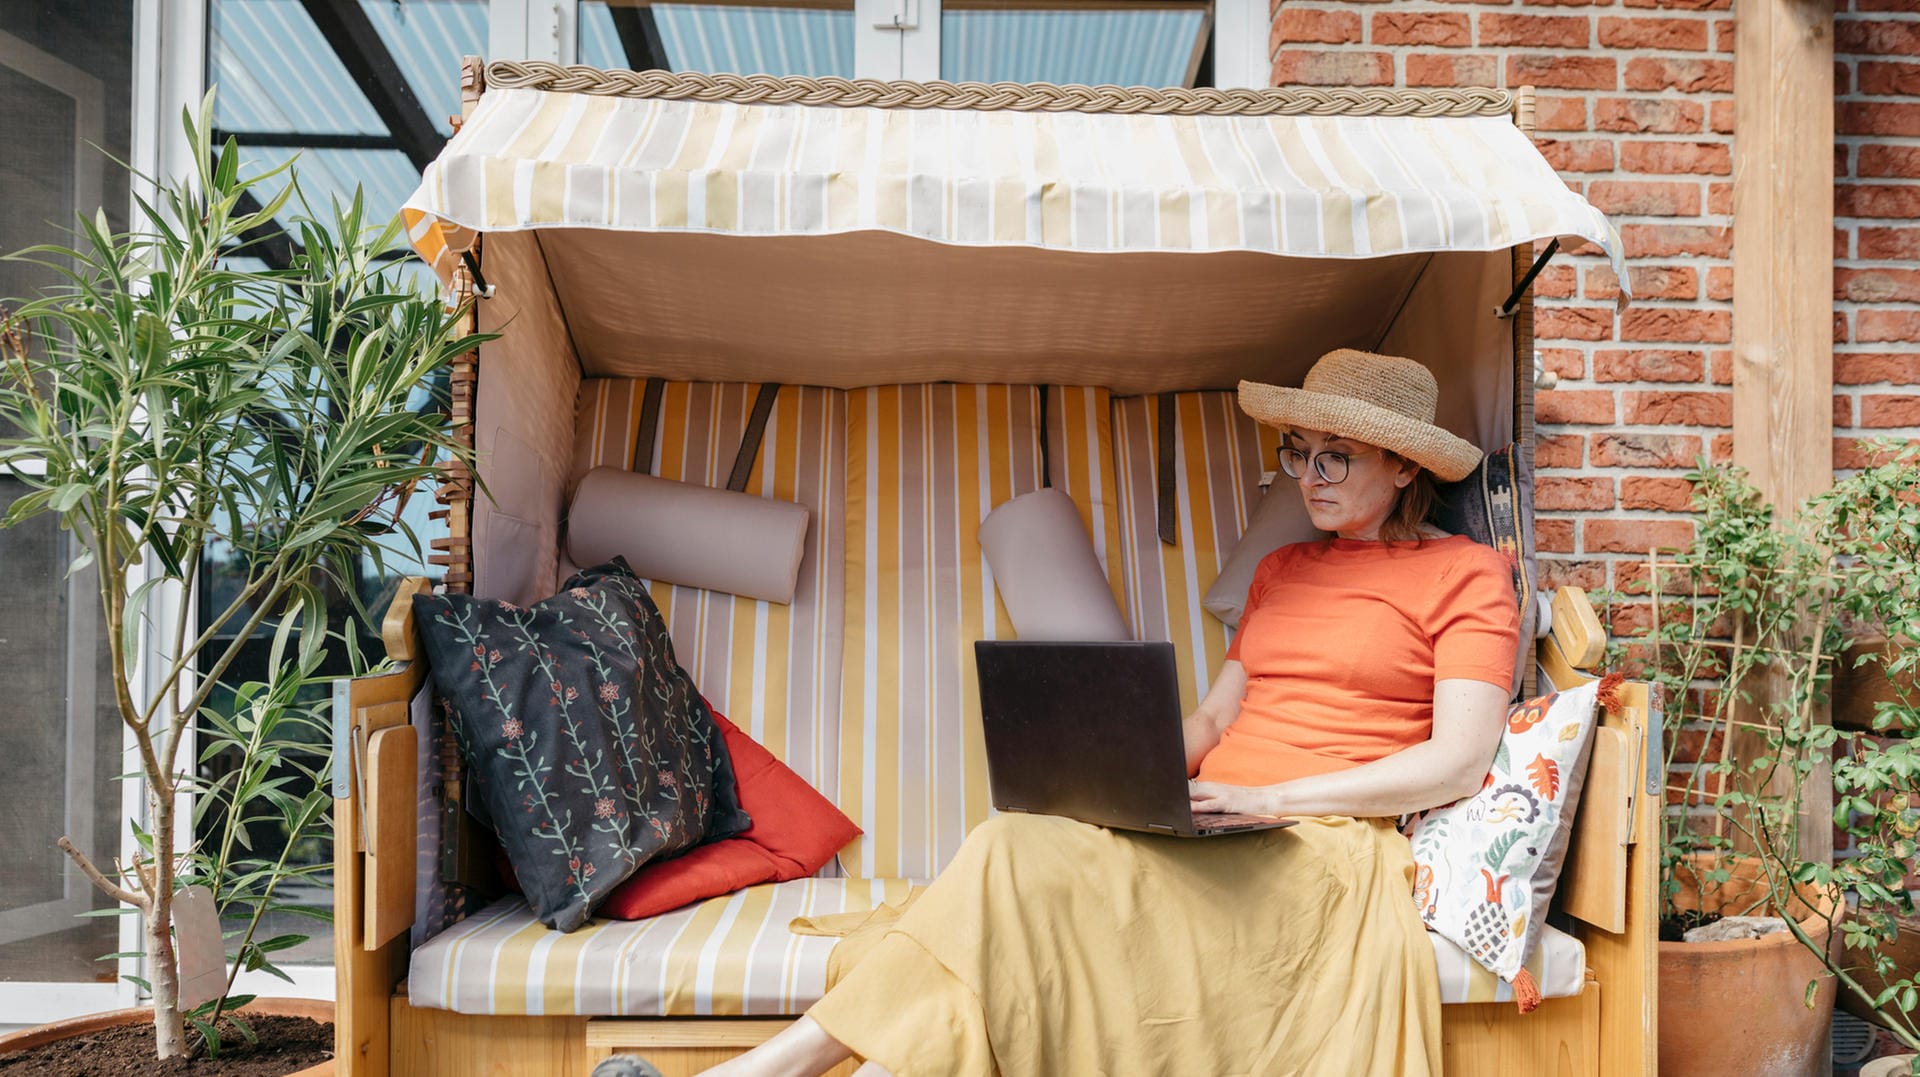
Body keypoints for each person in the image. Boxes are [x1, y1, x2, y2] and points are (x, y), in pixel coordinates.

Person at [685, 349, 1523, 1077]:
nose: (1307, 477)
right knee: (1013, 843)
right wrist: (1118, 769)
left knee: (1003, 889)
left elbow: (1457, 759)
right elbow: (1211, 723)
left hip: (1322, 847)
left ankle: (766, 1068)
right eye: (1298, 453)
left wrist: (1273, 800)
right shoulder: (1282, 571)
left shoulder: (1467, 576)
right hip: (1210, 822)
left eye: (1334, 458)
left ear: (1405, 466)